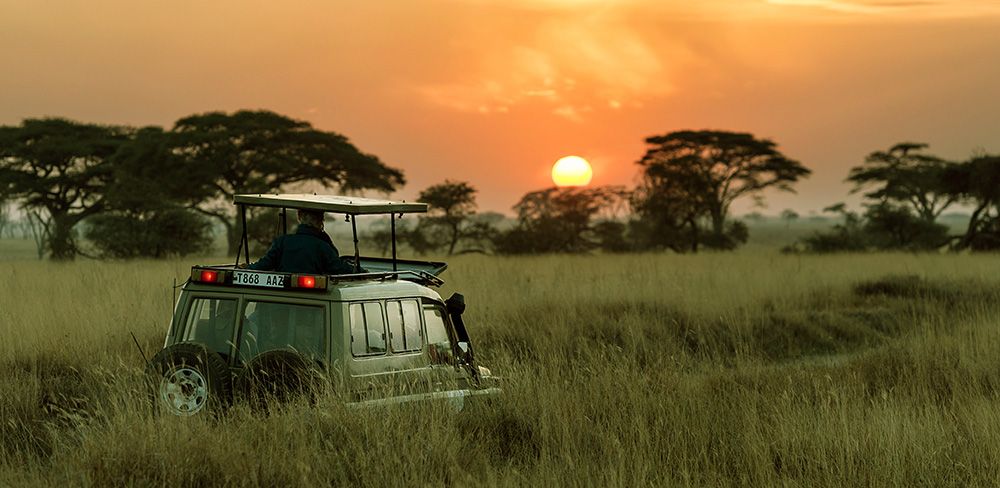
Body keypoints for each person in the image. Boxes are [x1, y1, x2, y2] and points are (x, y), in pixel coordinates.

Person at [248, 209, 357, 275]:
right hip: (314, 300)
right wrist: (359, 271)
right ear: (321, 219)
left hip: (282, 299)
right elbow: (338, 267)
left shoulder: (282, 241)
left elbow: (264, 264)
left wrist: (247, 268)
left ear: (299, 217)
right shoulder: (322, 246)